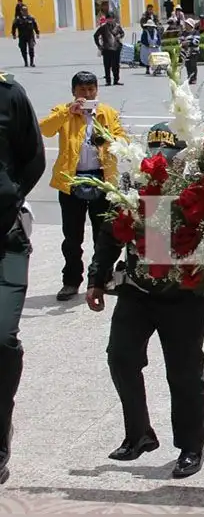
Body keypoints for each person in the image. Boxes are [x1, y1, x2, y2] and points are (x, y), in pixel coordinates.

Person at [84, 123, 204, 478]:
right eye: (159, 158)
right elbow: (110, 232)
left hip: (185, 297)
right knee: (121, 359)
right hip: (137, 291)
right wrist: (96, 278)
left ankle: (191, 447)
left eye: (171, 159)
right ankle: (139, 434)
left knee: (185, 373)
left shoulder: (199, 192)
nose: (165, 164)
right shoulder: (134, 186)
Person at [39, 71, 126, 301]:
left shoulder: (107, 113)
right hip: (72, 180)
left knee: (104, 234)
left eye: (91, 90)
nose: (87, 95)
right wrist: (69, 112)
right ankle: (71, 281)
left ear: (97, 90)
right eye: (82, 91)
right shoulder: (63, 111)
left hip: (102, 178)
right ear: (74, 92)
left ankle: (101, 278)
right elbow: (45, 129)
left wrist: (108, 138)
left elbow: (124, 139)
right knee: (72, 236)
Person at [0, 70, 45, 486]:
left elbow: (33, 157)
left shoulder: (9, 94)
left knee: (2, 338)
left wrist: (10, 195)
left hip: (4, 241)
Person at [93, 13, 125, 86]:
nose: (110, 20)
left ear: (114, 19)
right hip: (106, 49)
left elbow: (122, 33)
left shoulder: (117, 26)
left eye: (111, 18)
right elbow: (95, 35)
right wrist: (99, 45)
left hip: (116, 48)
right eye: (109, 18)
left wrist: (120, 36)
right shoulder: (103, 27)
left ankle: (116, 80)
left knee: (116, 65)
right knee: (107, 65)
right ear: (106, 19)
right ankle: (108, 81)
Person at [178, 18, 201, 84]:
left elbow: (196, 41)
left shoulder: (195, 32)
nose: (185, 25)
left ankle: (194, 78)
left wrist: (187, 43)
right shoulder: (183, 33)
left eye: (187, 24)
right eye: (185, 24)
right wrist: (183, 43)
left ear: (190, 25)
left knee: (193, 64)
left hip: (194, 51)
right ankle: (189, 77)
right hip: (185, 52)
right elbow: (180, 41)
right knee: (187, 65)